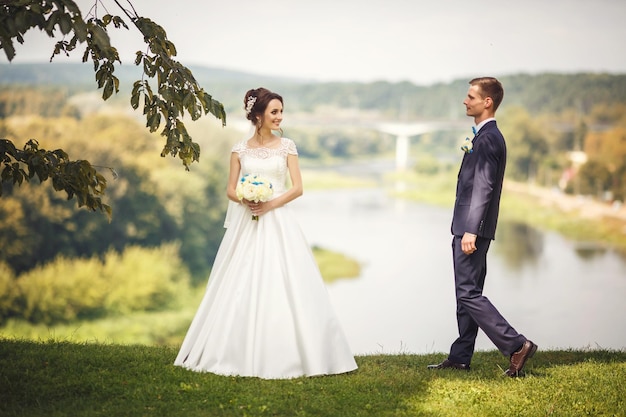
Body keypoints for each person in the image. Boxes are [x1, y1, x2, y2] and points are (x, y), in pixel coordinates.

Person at [174, 87, 358, 379]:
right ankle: (233, 351)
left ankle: (298, 354)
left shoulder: (287, 146)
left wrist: (269, 203)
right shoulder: (239, 149)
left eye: (281, 111)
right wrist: (246, 199)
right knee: (239, 282)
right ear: (257, 115)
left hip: (279, 221)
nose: (279, 117)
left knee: (285, 282)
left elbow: (297, 187)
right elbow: (230, 190)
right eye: (274, 112)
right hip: (247, 222)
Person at [428, 77, 537, 377]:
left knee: (468, 294)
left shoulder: (488, 138)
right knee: (467, 292)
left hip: (471, 228)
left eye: (470, 96)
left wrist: (471, 231)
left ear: (487, 101)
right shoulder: (482, 135)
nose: (465, 101)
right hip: (467, 226)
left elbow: (483, 188)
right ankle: (461, 356)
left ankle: (516, 345)